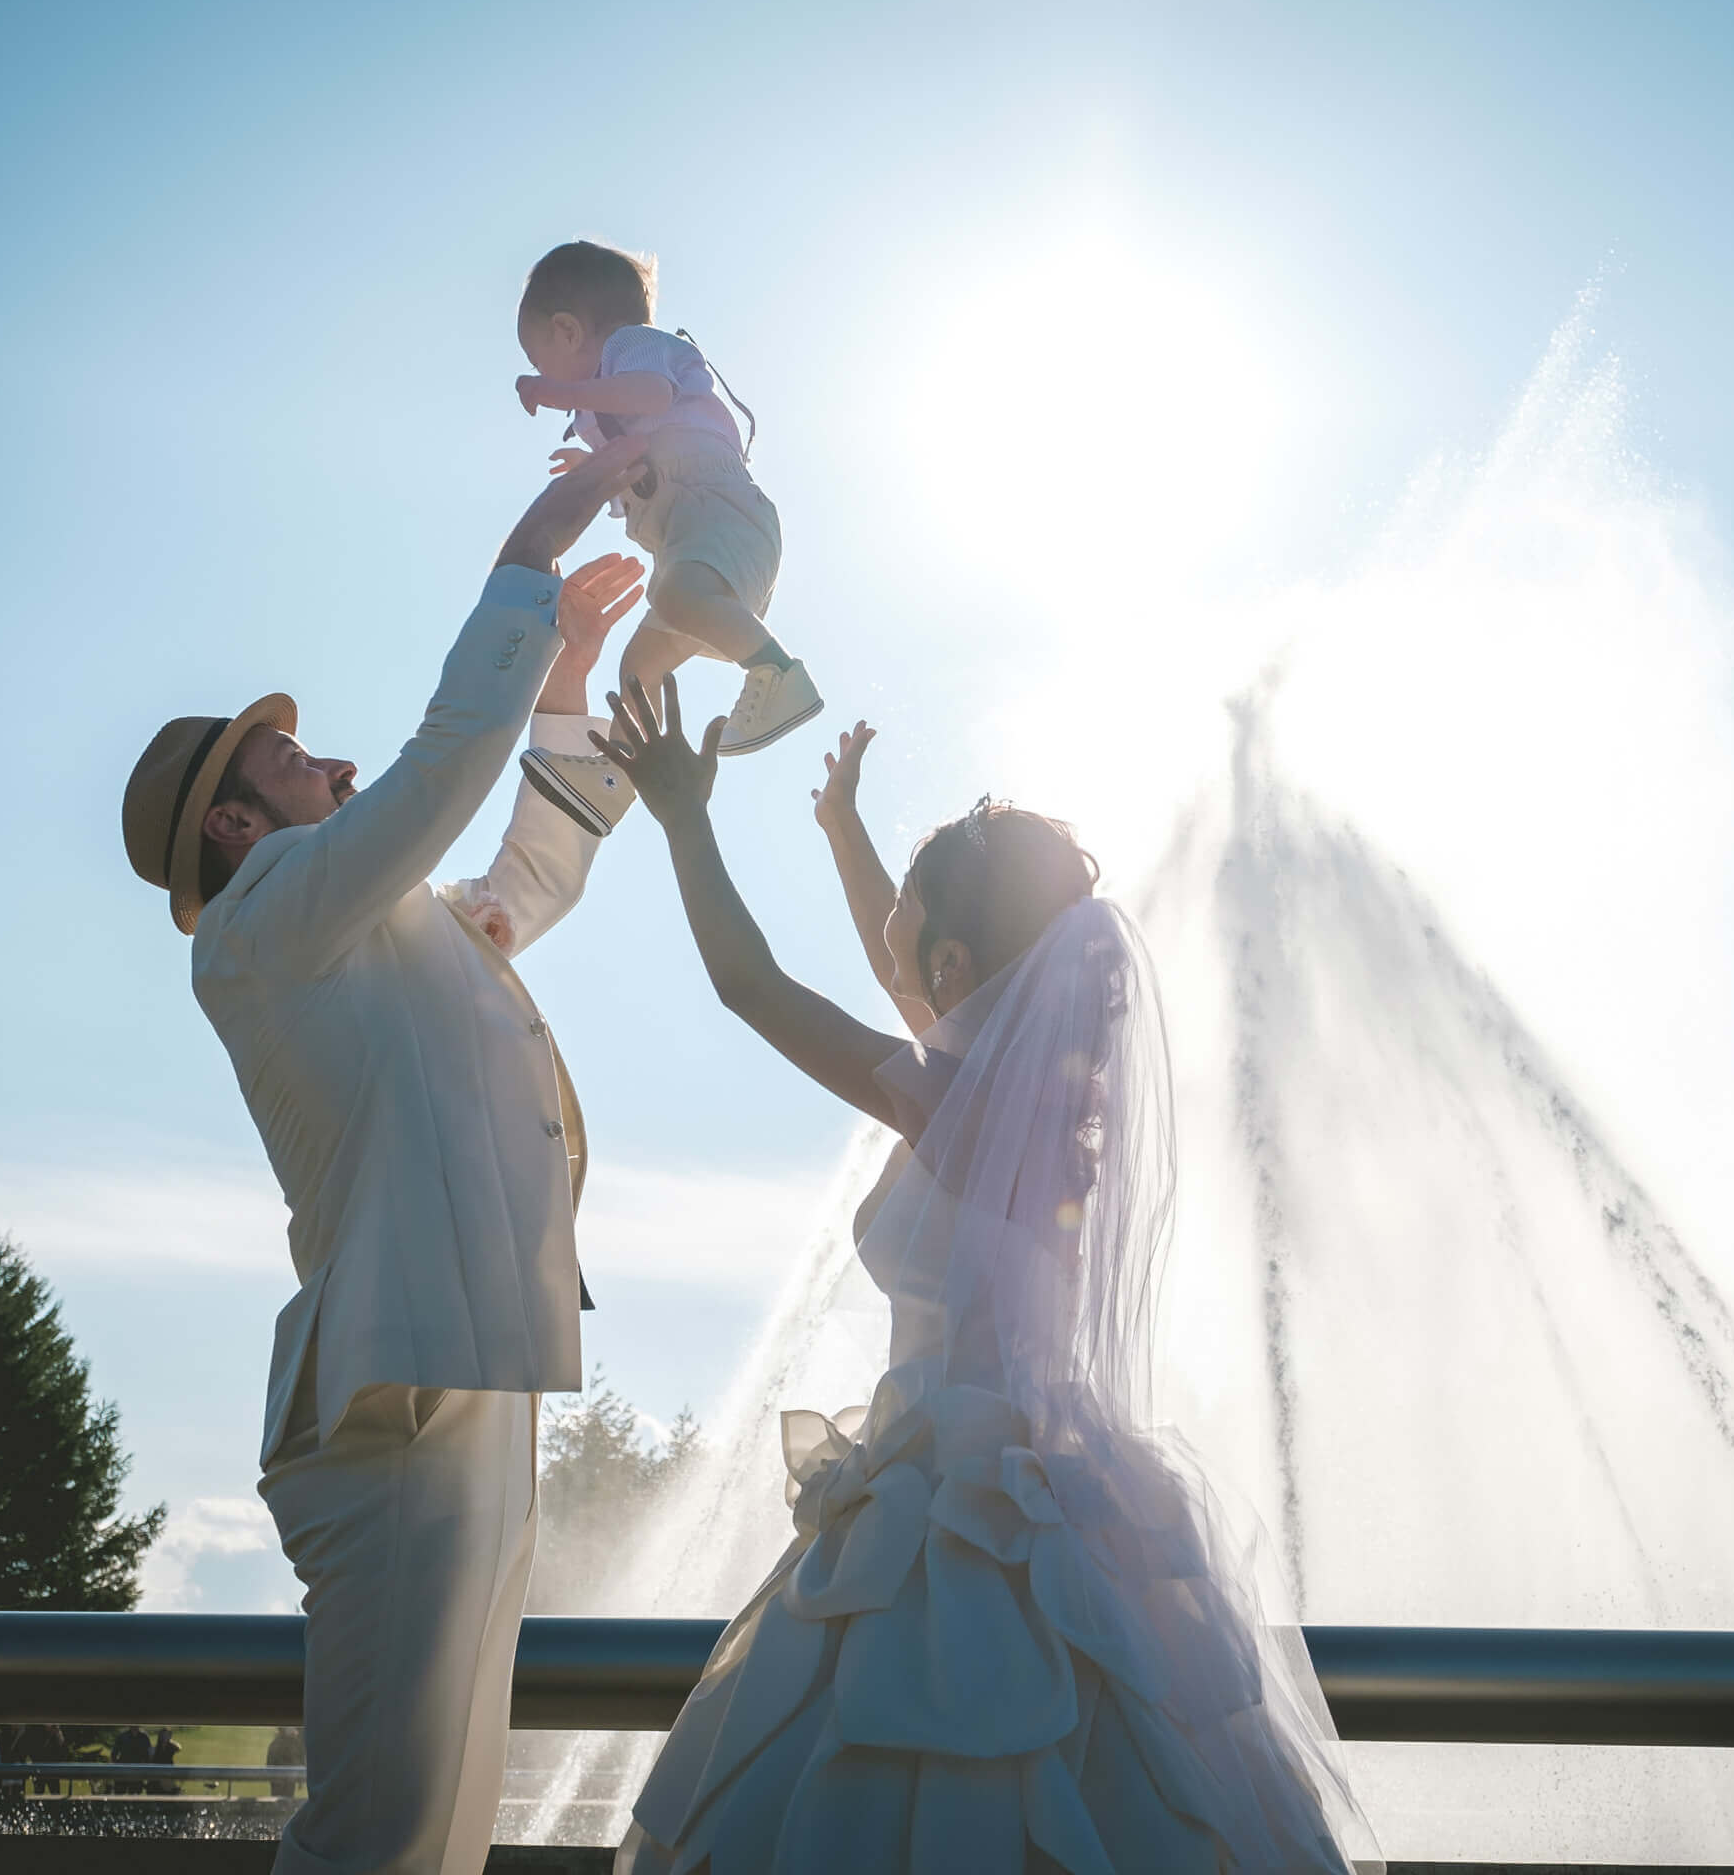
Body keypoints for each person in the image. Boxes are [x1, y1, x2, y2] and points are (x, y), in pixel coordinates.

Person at [593, 674, 1370, 1874]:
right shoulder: (1026, 1108)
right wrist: (845, 833)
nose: (891, 929)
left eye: (908, 908)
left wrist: (684, 819)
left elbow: (753, 986)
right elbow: (912, 979)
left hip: (947, 1504)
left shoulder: (955, 1102)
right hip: (1047, 1484)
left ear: (957, 961)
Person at [118, 436, 654, 1875]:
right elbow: (433, 773)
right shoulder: (260, 921)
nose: (333, 762)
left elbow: (528, 880)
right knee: (383, 1829)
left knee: (443, 1823)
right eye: (294, 761)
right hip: (395, 1406)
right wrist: (536, 542)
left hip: (458, 1376)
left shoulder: (365, 926)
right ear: (233, 826)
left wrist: (559, 682)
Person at [512, 239, 819, 837]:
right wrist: (592, 468)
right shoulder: (607, 402)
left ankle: (778, 673)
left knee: (675, 594)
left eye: (540, 358)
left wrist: (561, 393)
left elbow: (651, 396)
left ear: (569, 331)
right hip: (693, 540)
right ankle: (615, 780)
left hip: (720, 513)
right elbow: (639, 458)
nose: (546, 380)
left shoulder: (635, 346)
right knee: (639, 664)